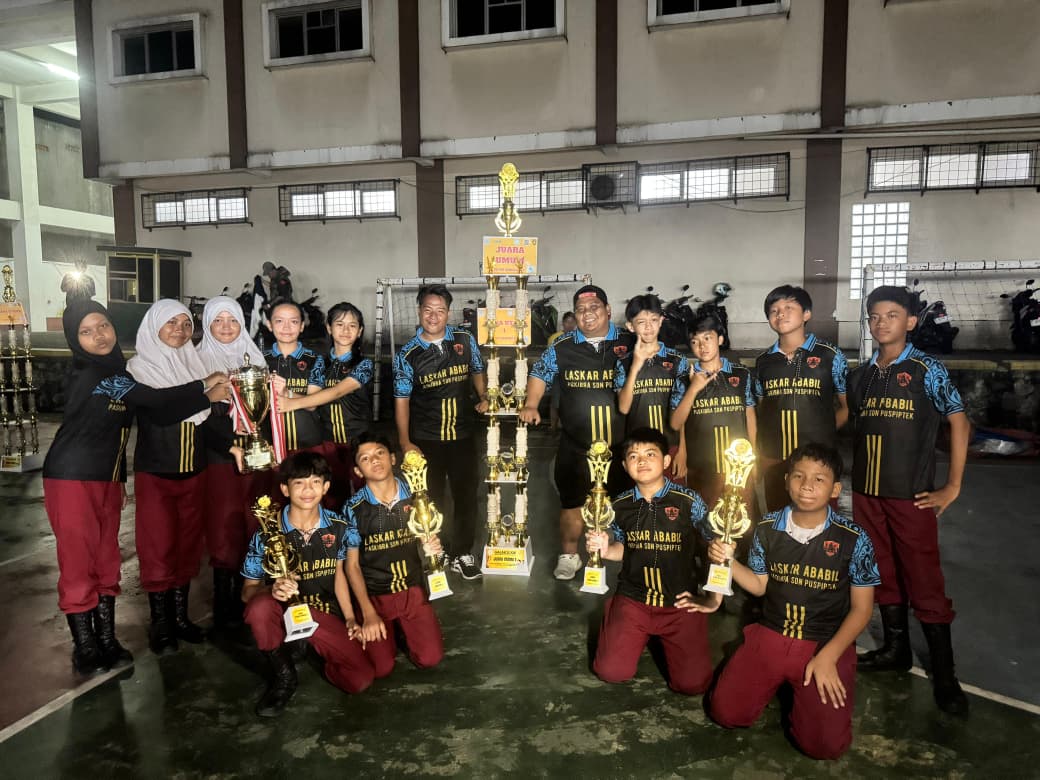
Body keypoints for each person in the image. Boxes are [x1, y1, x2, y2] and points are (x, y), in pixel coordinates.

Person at [42, 300, 227, 675]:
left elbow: (147, 416)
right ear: (74, 339)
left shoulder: (115, 370)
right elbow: (156, 401)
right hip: (70, 477)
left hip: (107, 478)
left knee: (107, 559)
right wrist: (205, 390)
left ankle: (107, 640)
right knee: (78, 560)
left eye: (104, 326)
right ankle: (85, 646)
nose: (99, 336)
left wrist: (118, 480)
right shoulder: (96, 374)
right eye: (86, 331)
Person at [702, 443, 880, 760]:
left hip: (822, 641)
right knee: (726, 713)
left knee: (824, 746)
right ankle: (761, 669)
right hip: (772, 632)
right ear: (786, 481)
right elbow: (759, 586)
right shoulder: (767, 528)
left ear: (835, 489)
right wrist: (728, 561)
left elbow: (862, 609)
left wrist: (829, 657)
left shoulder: (854, 538)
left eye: (819, 479)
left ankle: (807, 691)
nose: (807, 486)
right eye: (799, 476)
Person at [847, 285, 971, 716]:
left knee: (924, 579)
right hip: (866, 492)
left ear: (911, 321)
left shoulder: (926, 369)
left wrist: (952, 486)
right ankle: (895, 649)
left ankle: (945, 673)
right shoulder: (861, 375)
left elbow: (959, 423)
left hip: (911, 496)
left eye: (892, 315)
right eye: (874, 316)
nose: (881, 323)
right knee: (881, 570)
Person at [127, 299, 242, 655]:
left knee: (188, 546)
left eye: (186, 324)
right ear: (154, 326)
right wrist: (205, 392)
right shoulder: (138, 368)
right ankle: (160, 625)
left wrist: (234, 448)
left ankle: (179, 617)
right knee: (158, 546)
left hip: (195, 471)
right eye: (171, 323)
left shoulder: (194, 363)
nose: (180, 330)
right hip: (157, 473)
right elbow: (161, 410)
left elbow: (205, 426)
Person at [241, 452, 374, 717]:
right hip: (284, 614)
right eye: (299, 483)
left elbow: (340, 575)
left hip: (323, 613)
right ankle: (284, 676)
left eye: (315, 482)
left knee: (360, 679)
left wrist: (350, 618)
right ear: (285, 489)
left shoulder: (340, 527)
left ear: (326, 487)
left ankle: (316, 654)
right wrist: (271, 589)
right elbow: (247, 591)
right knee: (259, 608)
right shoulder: (266, 534)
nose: (307, 490)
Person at [586, 427, 717, 694]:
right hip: (634, 598)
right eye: (633, 456)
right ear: (624, 466)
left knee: (692, 685)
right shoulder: (619, 505)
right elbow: (625, 548)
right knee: (611, 671)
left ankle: (670, 635)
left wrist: (714, 598)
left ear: (666, 461)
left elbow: (716, 546)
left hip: (679, 600)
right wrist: (606, 550)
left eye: (650, 454)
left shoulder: (688, 501)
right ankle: (619, 616)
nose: (642, 461)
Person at [520, 284, 634, 581]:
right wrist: (531, 404)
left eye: (594, 307)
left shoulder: (629, 341)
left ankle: (631, 553)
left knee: (629, 503)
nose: (588, 314)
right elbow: (539, 373)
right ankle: (569, 556)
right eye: (581, 310)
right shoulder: (562, 346)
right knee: (572, 504)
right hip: (577, 444)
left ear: (608, 310)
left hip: (622, 446)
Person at [393, 284, 487, 581]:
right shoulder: (407, 355)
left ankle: (463, 553)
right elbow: (402, 401)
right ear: (419, 311)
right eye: (428, 310)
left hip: (463, 435)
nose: (433, 316)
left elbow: (477, 369)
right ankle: (439, 550)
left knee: (466, 495)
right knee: (432, 498)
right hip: (427, 439)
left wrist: (484, 396)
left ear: (448, 312)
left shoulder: (464, 340)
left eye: (440, 310)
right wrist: (405, 442)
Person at [343, 435, 445, 678]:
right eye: (365, 458)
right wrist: (368, 612)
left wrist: (432, 546)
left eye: (379, 453)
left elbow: (428, 535)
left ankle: (404, 629)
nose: (374, 461)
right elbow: (352, 566)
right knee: (381, 668)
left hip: (412, 588)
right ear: (358, 471)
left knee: (430, 658)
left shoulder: (417, 494)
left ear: (392, 458)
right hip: (376, 595)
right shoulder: (353, 509)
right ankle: (382, 627)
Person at [196, 295, 266, 631]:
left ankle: (249, 598)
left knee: (253, 523)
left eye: (233, 320)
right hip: (219, 460)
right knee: (224, 527)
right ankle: (224, 608)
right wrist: (229, 446)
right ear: (207, 324)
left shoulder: (257, 360)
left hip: (254, 459)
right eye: (218, 320)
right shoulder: (195, 362)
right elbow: (196, 419)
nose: (226, 327)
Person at [754, 285, 848, 512]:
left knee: (818, 521)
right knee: (779, 519)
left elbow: (847, 406)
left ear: (806, 314)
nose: (780, 314)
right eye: (774, 310)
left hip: (816, 462)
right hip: (774, 460)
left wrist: (822, 437)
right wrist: (762, 453)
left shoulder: (830, 355)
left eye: (788, 307)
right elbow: (761, 410)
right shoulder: (763, 361)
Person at [279, 302, 372, 507]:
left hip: (358, 442)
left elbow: (336, 392)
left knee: (362, 495)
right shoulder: (320, 363)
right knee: (333, 495)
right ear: (329, 328)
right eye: (339, 324)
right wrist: (286, 393)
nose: (346, 330)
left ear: (360, 331)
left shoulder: (364, 364)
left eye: (352, 325)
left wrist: (291, 403)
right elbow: (312, 402)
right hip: (328, 444)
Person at [670, 311, 756, 508]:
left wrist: (754, 456)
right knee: (704, 515)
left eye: (707, 338)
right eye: (695, 341)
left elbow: (750, 416)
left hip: (739, 465)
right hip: (701, 464)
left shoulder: (741, 375)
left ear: (720, 339)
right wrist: (693, 389)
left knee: (742, 515)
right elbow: (676, 423)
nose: (702, 346)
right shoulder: (684, 380)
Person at [615, 294, 688, 480]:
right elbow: (623, 407)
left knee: (672, 497)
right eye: (641, 322)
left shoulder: (677, 360)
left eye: (654, 320)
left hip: (671, 446)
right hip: (637, 450)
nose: (648, 327)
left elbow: (684, 411)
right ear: (630, 326)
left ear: (661, 321)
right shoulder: (623, 363)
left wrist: (683, 450)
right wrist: (636, 365)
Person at [265, 300, 326, 455]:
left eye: (293, 321)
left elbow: (313, 403)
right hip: (269, 446)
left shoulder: (315, 359)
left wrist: (287, 393)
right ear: (269, 325)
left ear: (302, 326)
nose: (286, 328)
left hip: (309, 444)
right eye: (279, 321)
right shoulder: (259, 360)